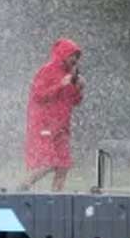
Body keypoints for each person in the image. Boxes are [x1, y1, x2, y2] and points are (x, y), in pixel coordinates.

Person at [18, 38, 84, 191]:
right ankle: (22, 187)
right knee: (48, 163)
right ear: (63, 54)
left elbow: (74, 101)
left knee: (63, 165)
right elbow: (38, 95)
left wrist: (79, 88)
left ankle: (56, 199)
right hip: (44, 124)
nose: (74, 60)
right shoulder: (47, 70)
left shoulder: (70, 75)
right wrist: (60, 84)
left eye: (76, 57)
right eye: (72, 56)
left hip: (62, 126)